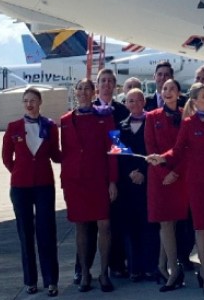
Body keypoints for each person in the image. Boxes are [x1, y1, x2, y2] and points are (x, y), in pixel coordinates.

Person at [147, 83, 204, 298]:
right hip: (198, 184)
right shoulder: (189, 124)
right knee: (202, 228)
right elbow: (177, 151)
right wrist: (162, 158)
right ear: (194, 101)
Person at [61, 79, 119, 293]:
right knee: (82, 227)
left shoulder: (105, 117)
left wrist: (113, 181)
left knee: (104, 226)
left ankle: (104, 273)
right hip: (76, 182)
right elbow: (65, 153)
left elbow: (114, 149)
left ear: (94, 92)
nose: (83, 92)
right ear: (75, 93)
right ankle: (85, 272)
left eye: (87, 89)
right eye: (80, 89)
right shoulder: (66, 120)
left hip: (99, 179)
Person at [3, 88, 61, 296]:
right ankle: (30, 281)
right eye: (26, 101)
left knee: (47, 232)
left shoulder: (50, 126)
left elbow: (55, 154)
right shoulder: (14, 127)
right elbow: (6, 157)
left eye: (33, 101)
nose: (29, 104)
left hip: (44, 184)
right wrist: (19, 172)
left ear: (40, 102)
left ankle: (51, 280)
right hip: (21, 187)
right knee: (25, 234)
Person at [146, 78, 189, 291]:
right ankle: (174, 271)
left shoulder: (185, 116)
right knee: (165, 223)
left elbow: (188, 149)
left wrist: (176, 173)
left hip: (179, 177)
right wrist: (165, 173)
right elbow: (150, 149)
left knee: (170, 224)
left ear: (179, 93)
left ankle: (162, 266)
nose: (168, 91)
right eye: (164, 88)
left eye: (172, 88)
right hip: (159, 177)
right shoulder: (152, 117)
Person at [117, 89, 160, 284]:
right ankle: (135, 268)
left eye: (137, 100)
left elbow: (154, 150)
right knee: (130, 227)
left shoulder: (152, 123)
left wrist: (143, 171)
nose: (134, 104)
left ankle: (151, 267)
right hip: (128, 184)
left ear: (144, 102)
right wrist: (130, 173)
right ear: (126, 104)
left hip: (148, 180)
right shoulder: (120, 127)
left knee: (149, 225)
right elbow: (120, 155)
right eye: (130, 101)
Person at [96, 69, 130, 279]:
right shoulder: (89, 110)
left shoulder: (121, 110)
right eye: (103, 81)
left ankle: (116, 264)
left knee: (117, 222)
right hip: (95, 174)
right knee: (91, 227)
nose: (107, 84)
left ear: (115, 86)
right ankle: (83, 268)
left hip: (117, 173)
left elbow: (122, 145)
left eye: (111, 81)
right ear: (97, 85)